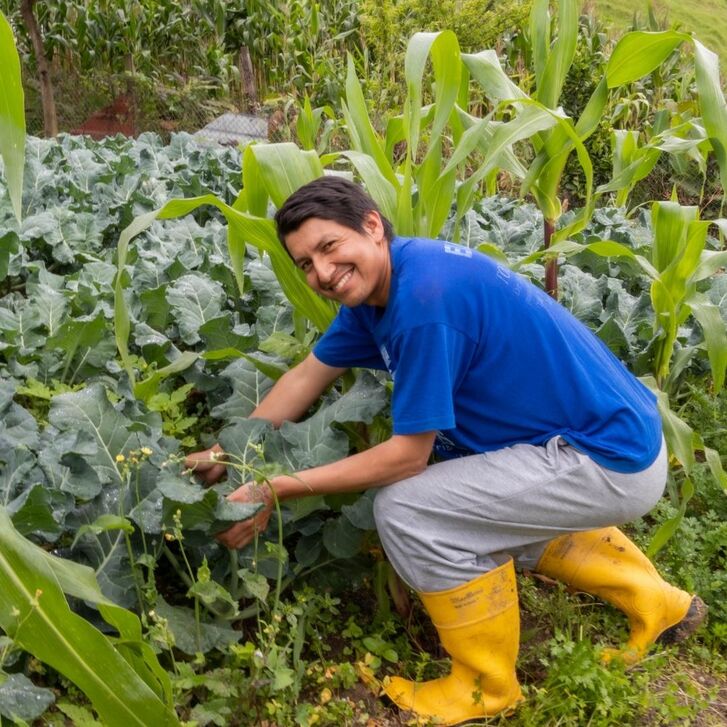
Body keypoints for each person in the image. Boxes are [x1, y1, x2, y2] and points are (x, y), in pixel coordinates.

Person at [186, 176, 707, 725]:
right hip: (610, 440)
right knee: (469, 495)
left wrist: (278, 488)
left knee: (409, 508)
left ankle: (484, 688)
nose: (320, 272)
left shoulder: (423, 302)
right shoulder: (391, 281)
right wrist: (225, 452)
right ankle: (661, 605)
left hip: (605, 459)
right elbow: (307, 375)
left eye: (328, 247)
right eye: (305, 263)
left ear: (370, 226)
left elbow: (408, 458)